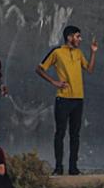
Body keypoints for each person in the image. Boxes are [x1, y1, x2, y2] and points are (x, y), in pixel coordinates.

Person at [37, 25, 97, 175]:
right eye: (78, 36)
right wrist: (54, 82)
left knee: (75, 134)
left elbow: (89, 69)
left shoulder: (78, 52)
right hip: (63, 99)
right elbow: (39, 69)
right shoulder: (57, 52)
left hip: (78, 99)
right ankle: (58, 167)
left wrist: (93, 53)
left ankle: (73, 167)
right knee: (60, 133)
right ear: (69, 37)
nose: (80, 39)